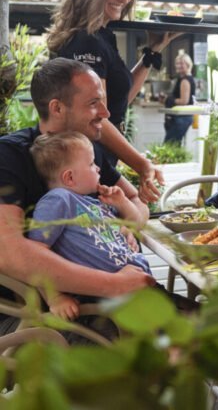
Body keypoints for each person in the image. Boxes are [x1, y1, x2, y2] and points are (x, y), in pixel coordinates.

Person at [0, 58, 154, 340]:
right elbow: (8, 253)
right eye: (94, 103)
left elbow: (136, 199)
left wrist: (130, 224)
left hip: (104, 296)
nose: (106, 113)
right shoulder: (8, 157)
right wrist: (115, 285)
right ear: (57, 108)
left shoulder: (83, 152)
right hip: (30, 314)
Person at [46, 0, 177, 200]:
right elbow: (97, 116)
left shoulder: (101, 35)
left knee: (135, 214)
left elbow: (116, 103)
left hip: (97, 160)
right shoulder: (86, 42)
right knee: (130, 217)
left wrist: (152, 52)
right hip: (84, 164)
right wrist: (141, 163)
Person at [28, 132, 197, 317]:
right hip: (105, 300)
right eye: (91, 164)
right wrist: (55, 298)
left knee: (208, 319)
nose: (98, 168)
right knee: (200, 329)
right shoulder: (59, 200)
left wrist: (123, 202)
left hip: (145, 289)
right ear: (69, 178)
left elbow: (134, 223)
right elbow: (34, 255)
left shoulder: (95, 203)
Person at [164, 52, 196, 145]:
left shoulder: (185, 80)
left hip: (182, 117)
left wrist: (168, 100)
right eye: (177, 63)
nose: (178, 65)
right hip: (184, 117)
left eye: (181, 63)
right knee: (174, 145)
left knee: (169, 146)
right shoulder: (187, 78)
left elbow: (184, 101)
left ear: (188, 64)